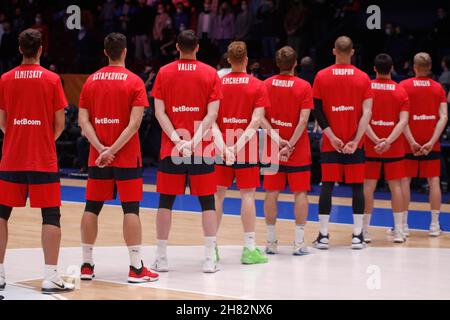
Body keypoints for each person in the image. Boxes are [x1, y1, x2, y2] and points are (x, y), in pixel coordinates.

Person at [78, 33, 159, 283]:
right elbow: (134, 125)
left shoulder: (90, 81)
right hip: (125, 157)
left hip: (98, 156)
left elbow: (83, 122)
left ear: (106, 51)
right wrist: (112, 149)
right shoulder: (135, 82)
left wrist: (101, 148)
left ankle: (86, 265)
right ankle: (136, 268)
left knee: (92, 207)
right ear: (124, 51)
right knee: (131, 209)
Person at [0, 29, 74, 293]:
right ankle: (50, 276)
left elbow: (2, 122)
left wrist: (20, 137)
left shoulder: (5, 79)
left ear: (20, 49)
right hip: (42, 158)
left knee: (2, 214)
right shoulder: (52, 79)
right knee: (51, 215)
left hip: (12, 157)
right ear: (41, 48)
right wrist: (40, 138)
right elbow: (60, 124)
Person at [151, 30, 221, 273]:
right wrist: (194, 141)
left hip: (172, 148)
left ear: (177, 46)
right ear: (198, 47)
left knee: (165, 202)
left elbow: (159, 112)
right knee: (207, 203)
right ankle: (209, 259)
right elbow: (211, 115)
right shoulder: (211, 73)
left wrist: (177, 140)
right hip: (201, 147)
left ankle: (161, 257)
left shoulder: (164, 72)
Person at [312, 36, 373, 250]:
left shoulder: (321, 76)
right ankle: (357, 236)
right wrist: (356, 140)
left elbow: (317, 111)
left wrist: (331, 136)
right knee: (357, 187)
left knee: (327, 187)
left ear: (334, 51)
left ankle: (324, 235)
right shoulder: (364, 78)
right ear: (352, 52)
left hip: (331, 143)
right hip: (354, 143)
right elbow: (367, 113)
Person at [214, 41, 269, 265]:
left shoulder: (218, 83)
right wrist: (237, 148)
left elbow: (212, 120)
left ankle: (212, 247)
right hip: (246, 148)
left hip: (220, 146)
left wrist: (225, 147)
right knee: (247, 195)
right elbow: (256, 122)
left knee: (218, 195)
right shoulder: (258, 85)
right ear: (246, 59)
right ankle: (248, 249)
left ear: (229, 59)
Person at [261, 46, 313, 255]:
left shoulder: (265, 84)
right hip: (297, 147)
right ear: (296, 63)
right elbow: (303, 121)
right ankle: (299, 243)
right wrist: (290, 143)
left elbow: (260, 117)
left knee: (271, 193)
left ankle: (271, 242)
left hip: (273, 145)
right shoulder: (304, 86)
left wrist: (277, 139)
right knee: (300, 193)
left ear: (277, 63)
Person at [362, 54, 409, 243]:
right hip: (394, 144)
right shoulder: (401, 91)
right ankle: (399, 231)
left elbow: (363, 118)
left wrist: (375, 140)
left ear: (374, 69)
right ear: (391, 69)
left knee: (368, 186)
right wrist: (388, 141)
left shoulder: (368, 88)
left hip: (371, 144)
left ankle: (364, 231)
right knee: (396, 186)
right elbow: (403, 121)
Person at [400, 52, 448, 237]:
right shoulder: (438, 88)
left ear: (414, 67)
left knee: (405, 181)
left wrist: (412, 141)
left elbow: (400, 117)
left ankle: (402, 225)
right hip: (431, 141)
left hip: (408, 141)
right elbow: (444, 116)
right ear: (429, 67)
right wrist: (432, 141)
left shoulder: (404, 86)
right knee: (434, 181)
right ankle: (434, 226)